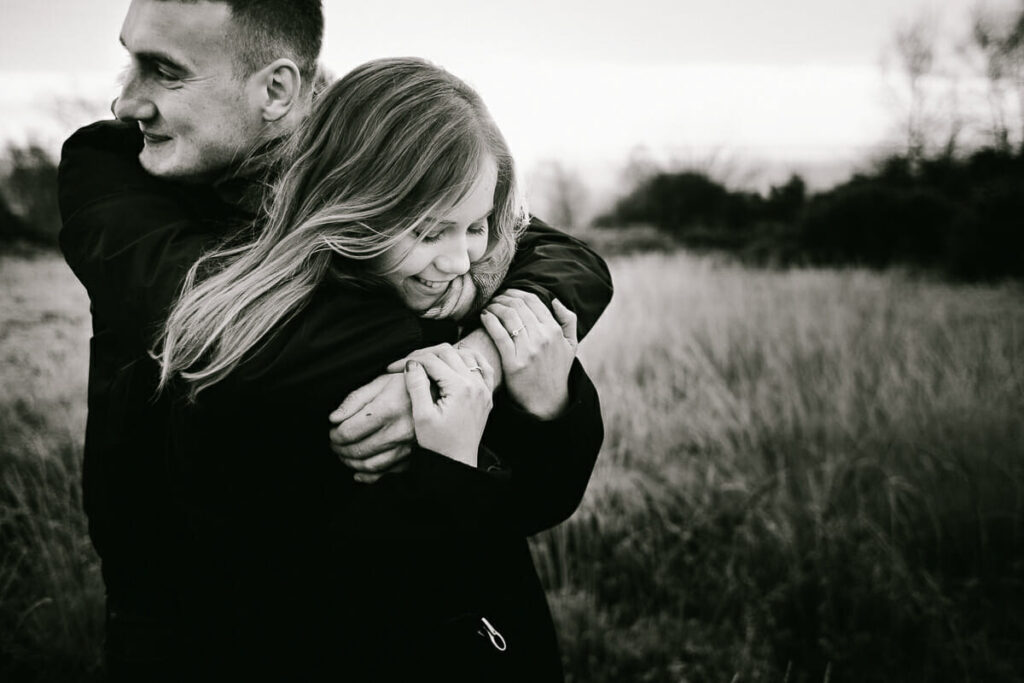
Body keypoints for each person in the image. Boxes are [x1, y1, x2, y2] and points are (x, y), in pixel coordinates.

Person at [57, 0, 612, 678]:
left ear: (277, 88)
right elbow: (233, 323)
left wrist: (492, 360)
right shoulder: (111, 169)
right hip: (175, 618)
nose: (126, 101)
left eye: (165, 71)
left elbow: (559, 256)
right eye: (131, 62)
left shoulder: (399, 186)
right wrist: (455, 352)